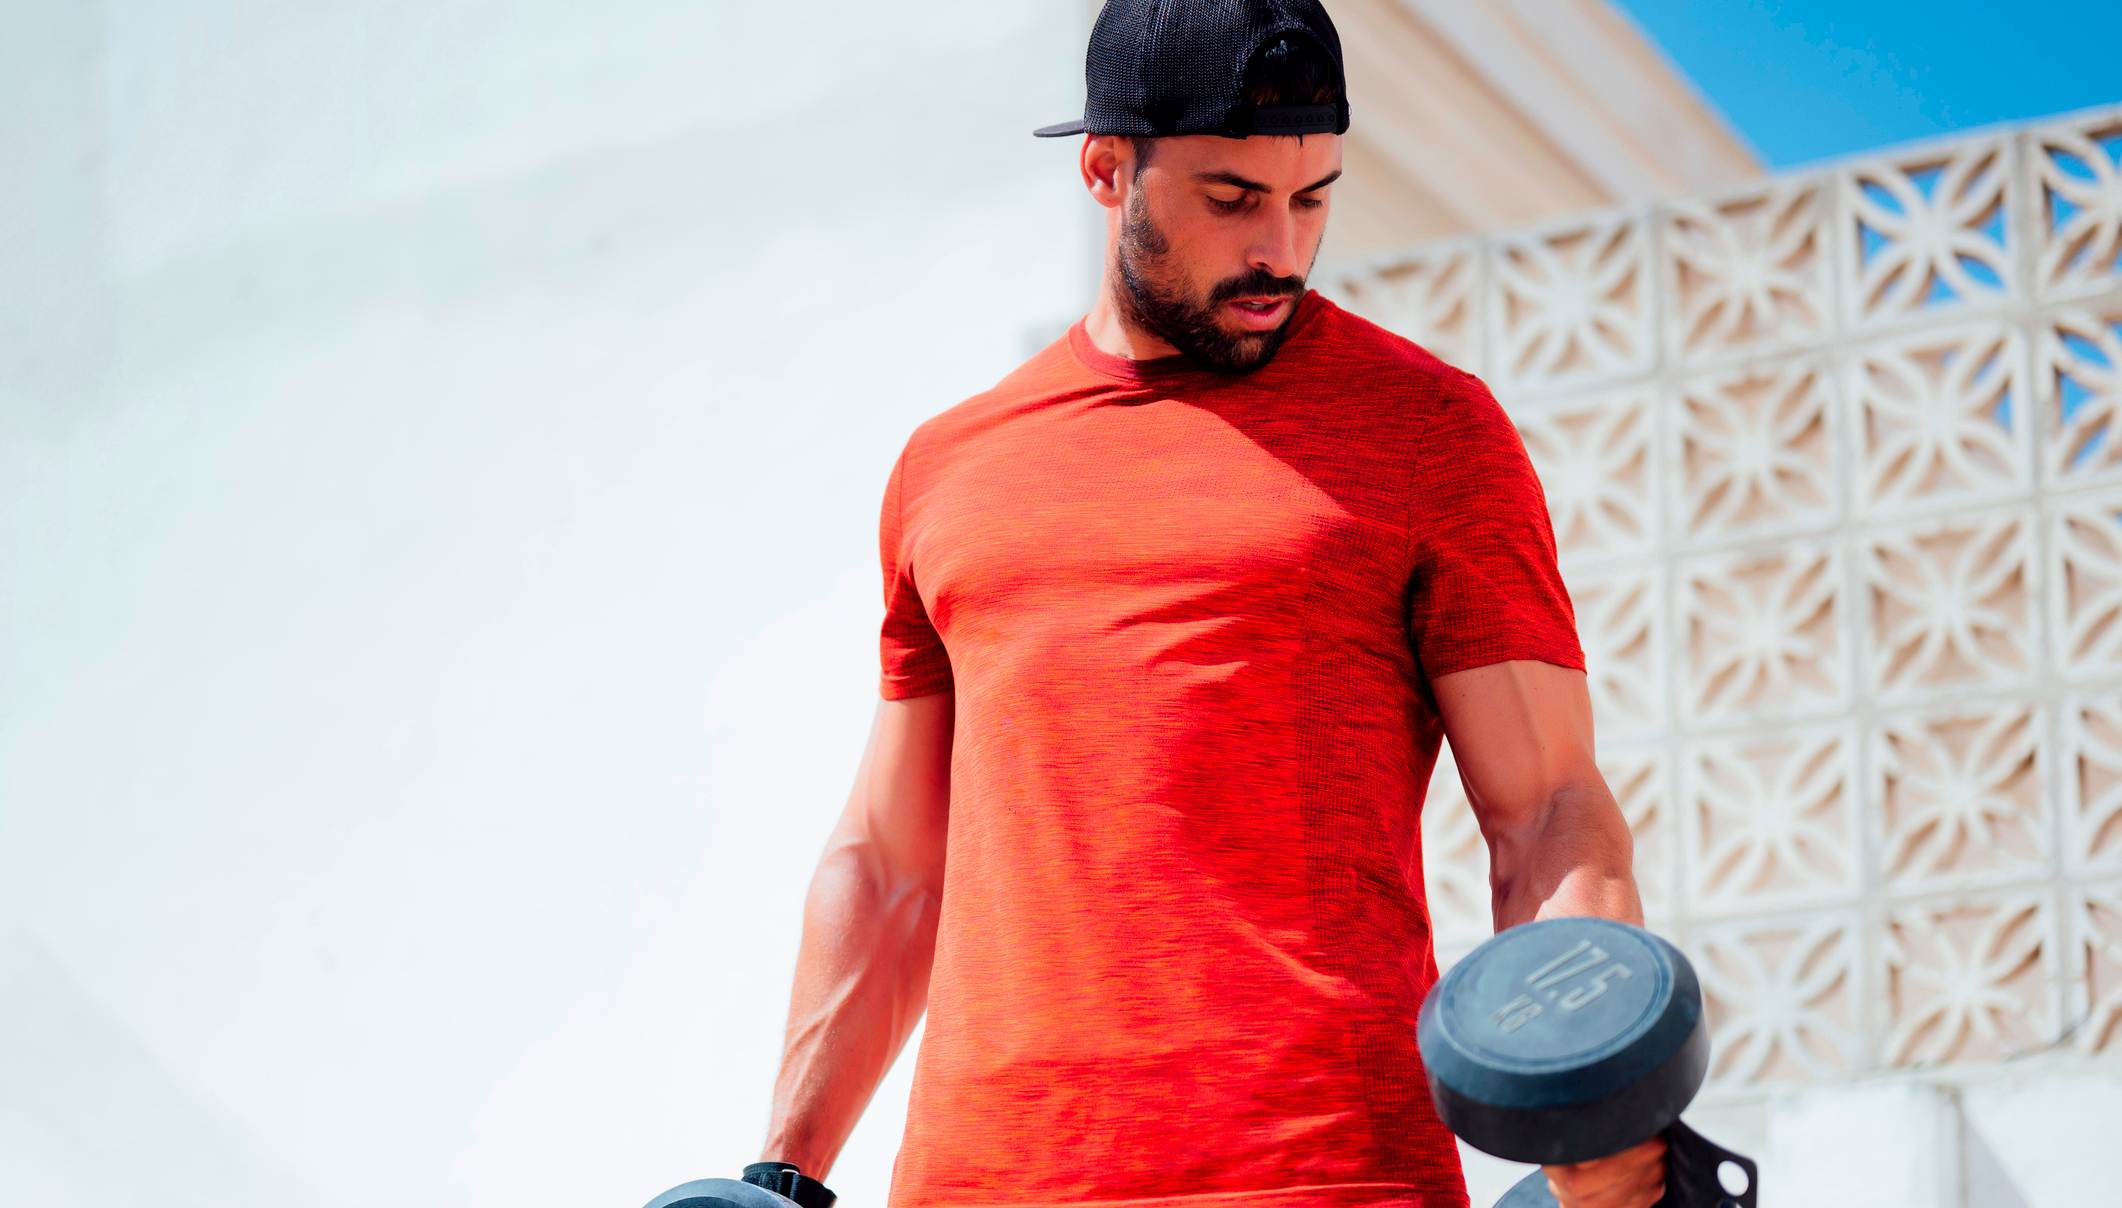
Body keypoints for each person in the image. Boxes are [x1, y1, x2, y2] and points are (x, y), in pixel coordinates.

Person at [756, 4, 1664, 1207]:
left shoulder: (1427, 434)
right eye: (1232, 199)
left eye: (1313, 197)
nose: (1281, 249)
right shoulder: (951, 468)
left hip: (1325, 1173)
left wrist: (1599, 1093)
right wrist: (779, 1174)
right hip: (986, 1179)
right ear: (1104, 168)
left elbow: (1546, 806)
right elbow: (890, 863)